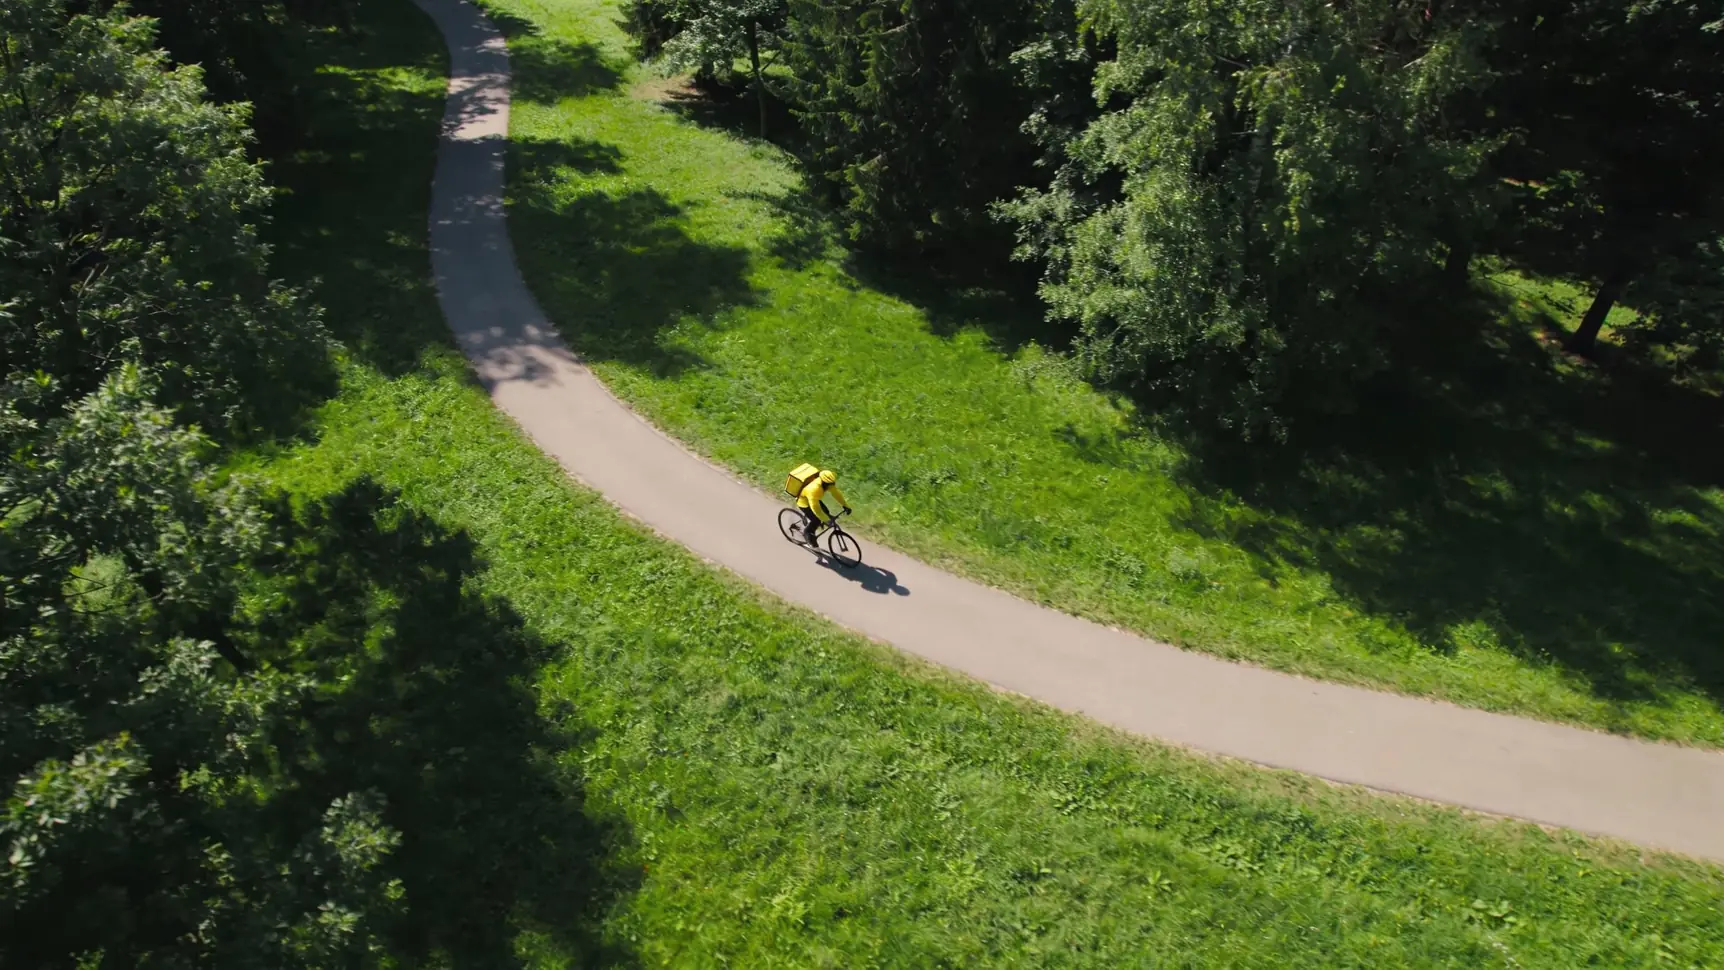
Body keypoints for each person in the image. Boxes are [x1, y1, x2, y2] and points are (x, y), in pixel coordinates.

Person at [796, 468, 850, 545]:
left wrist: (845, 505)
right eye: (829, 484)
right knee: (816, 521)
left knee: (826, 512)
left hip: (814, 499)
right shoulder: (814, 489)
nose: (831, 486)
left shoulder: (828, 483)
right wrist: (825, 519)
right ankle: (807, 533)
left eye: (832, 483)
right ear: (823, 482)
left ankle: (819, 523)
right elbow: (815, 508)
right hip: (804, 503)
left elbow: (836, 494)